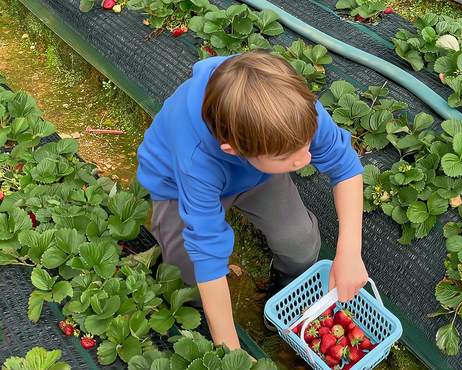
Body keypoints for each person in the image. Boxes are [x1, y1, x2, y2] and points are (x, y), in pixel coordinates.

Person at [136, 50, 368, 349]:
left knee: (299, 242)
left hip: (257, 175)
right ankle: (191, 315)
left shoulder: (292, 111)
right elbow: (207, 253)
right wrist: (231, 352)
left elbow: (345, 166)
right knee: (187, 268)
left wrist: (349, 251)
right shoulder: (197, 160)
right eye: (289, 156)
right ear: (234, 149)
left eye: (306, 143)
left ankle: (286, 294)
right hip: (175, 184)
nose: (306, 158)